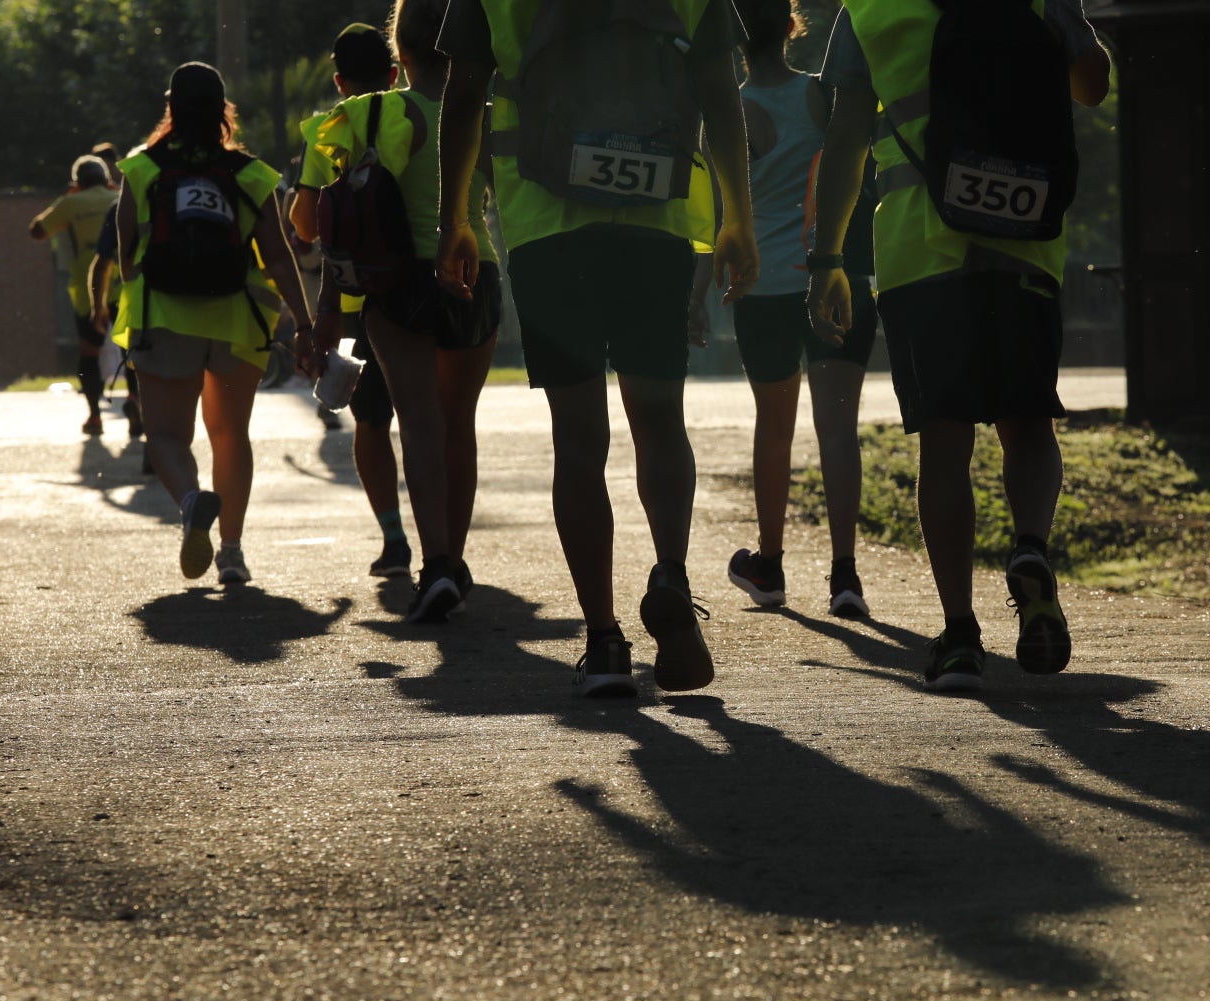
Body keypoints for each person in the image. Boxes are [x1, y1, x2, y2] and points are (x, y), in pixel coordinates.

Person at [436, 0, 760, 696]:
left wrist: (456, 219)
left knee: (579, 437)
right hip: (658, 217)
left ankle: (605, 641)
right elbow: (718, 90)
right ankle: (671, 573)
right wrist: (738, 220)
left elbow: (463, 94)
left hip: (545, 225)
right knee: (659, 418)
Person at [808, 0, 1110, 691]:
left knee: (944, 444)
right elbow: (1092, 86)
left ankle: (961, 636)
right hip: (1026, 241)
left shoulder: (872, 11)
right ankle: (1030, 547)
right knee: (1027, 425)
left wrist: (827, 257)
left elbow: (847, 134)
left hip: (921, 250)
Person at [310, 0, 500, 624]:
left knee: (417, 421)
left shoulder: (367, 113)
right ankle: (457, 559)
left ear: (402, 54)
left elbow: (342, 222)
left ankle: (437, 563)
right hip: (478, 271)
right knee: (458, 423)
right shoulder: (487, 115)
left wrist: (330, 310)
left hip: (399, 279)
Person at [689, 0, 877, 619]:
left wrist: (696, 297)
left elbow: (717, 218)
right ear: (793, 27)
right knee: (836, 427)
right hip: (834, 277)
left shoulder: (724, 113)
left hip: (760, 287)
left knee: (773, 426)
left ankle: (769, 566)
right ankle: (845, 576)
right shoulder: (823, 98)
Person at [111, 62, 321, 585]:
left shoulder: (142, 169)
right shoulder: (250, 174)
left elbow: (128, 255)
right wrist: (306, 322)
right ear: (224, 110)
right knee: (231, 434)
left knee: (165, 434)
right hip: (239, 317)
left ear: (171, 107)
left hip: (164, 317)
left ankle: (190, 502)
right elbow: (276, 254)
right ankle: (231, 551)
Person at [290, 23, 414, 580]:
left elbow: (303, 224)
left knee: (372, 422)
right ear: (395, 74)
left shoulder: (327, 130)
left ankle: (394, 538)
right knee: (438, 422)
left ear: (338, 80)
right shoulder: (422, 114)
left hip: (366, 295)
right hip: (435, 281)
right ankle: (445, 548)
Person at [30, 155, 120, 435]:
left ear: (77, 183)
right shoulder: (120, 198)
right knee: (136, 352)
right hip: (126, 284)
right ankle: (135, 403)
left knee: (89, 353)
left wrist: (69, 199)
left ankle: (94, 416)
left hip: (88, 288)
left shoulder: (70, 203)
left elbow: (36, 231)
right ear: (107, 179)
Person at [87, 144, 143, 448]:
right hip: (173, 298)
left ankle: (136, 399)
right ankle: (150, 413)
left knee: (133, 358)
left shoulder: (119, 206)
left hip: (128, 299)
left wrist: (97, 307)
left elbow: (102, 263)